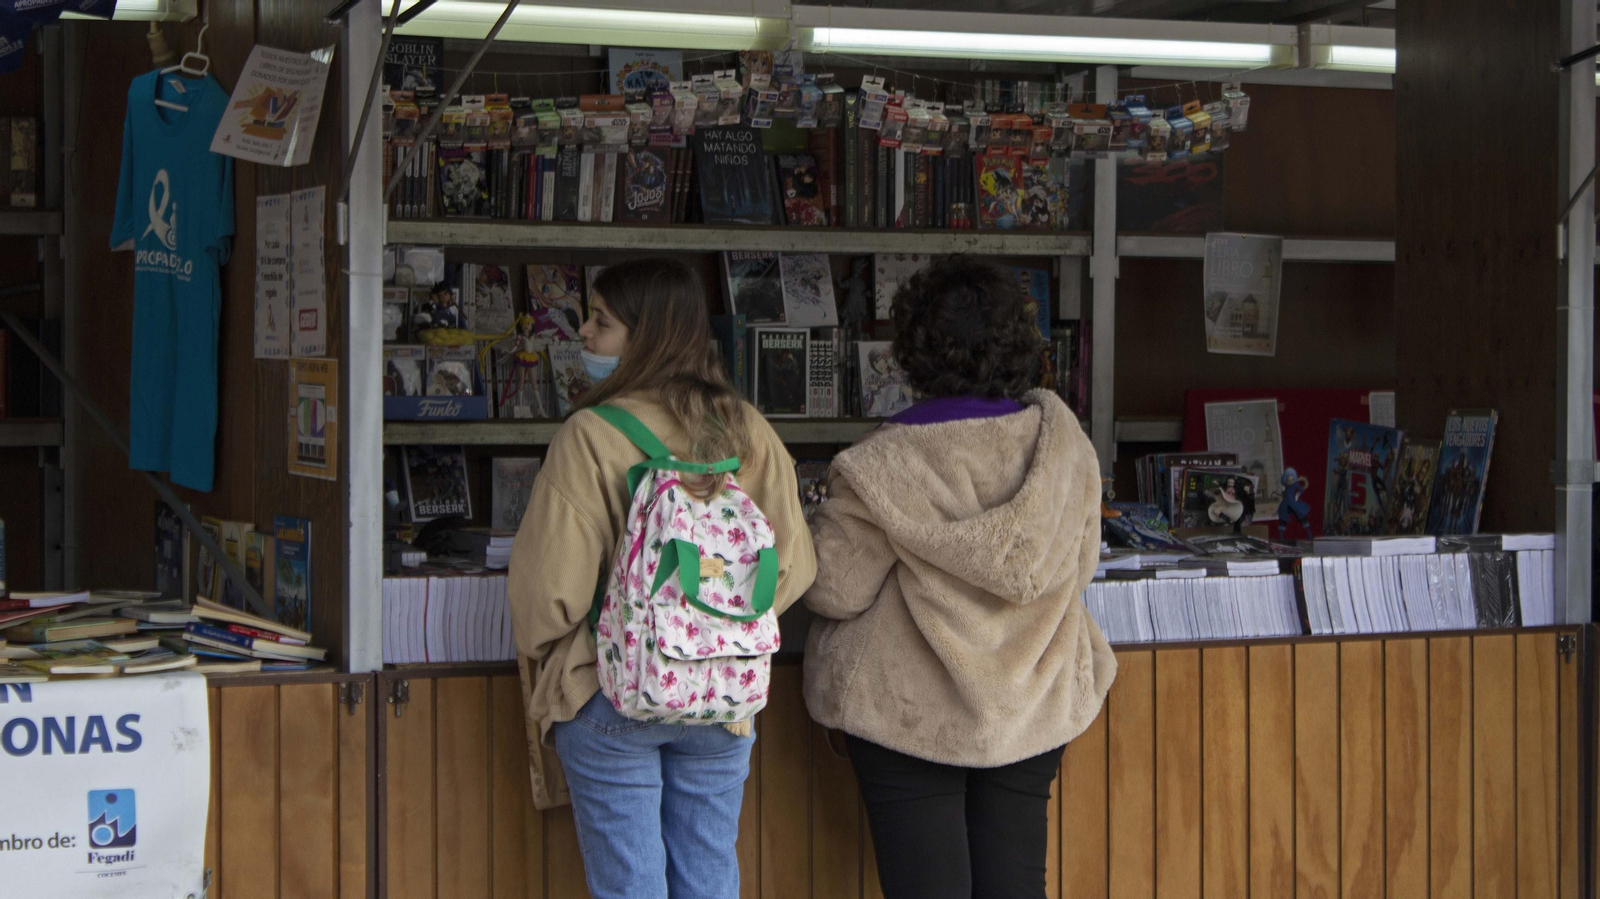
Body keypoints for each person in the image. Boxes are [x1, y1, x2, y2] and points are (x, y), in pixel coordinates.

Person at [802, 256, 1115, 899]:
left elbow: (834, 588)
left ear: (913, 350)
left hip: (908, 713)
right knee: (1016, 884)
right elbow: (1080, 567)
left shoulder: (879, 465)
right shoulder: (1065, 450)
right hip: (1033, 702)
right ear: (1019, 342)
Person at [507, 257, 816, 899]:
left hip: (610, 688)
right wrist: (716, 630)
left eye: (601, 322)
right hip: (723, 699)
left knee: (631, 888)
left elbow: (549, 593)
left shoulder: (590, 435)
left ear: (645, 335)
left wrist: (561, 655)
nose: (584, 335)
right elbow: (793, 565)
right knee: (709, 877)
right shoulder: (745, 427)